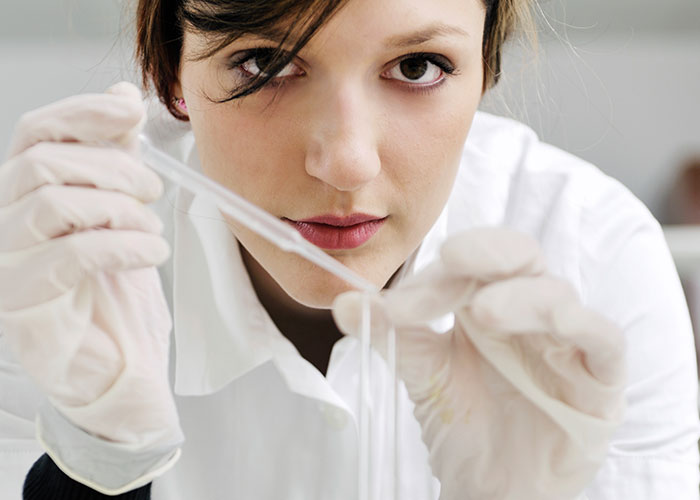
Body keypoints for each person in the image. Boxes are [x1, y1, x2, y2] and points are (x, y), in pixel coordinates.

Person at [0, 0, 698, 498]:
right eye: (265, 62)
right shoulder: (59, 267)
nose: (346, 162)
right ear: (169, 74)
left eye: (419, 65)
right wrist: (97, 463)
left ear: (486, 70)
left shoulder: (594, 255)